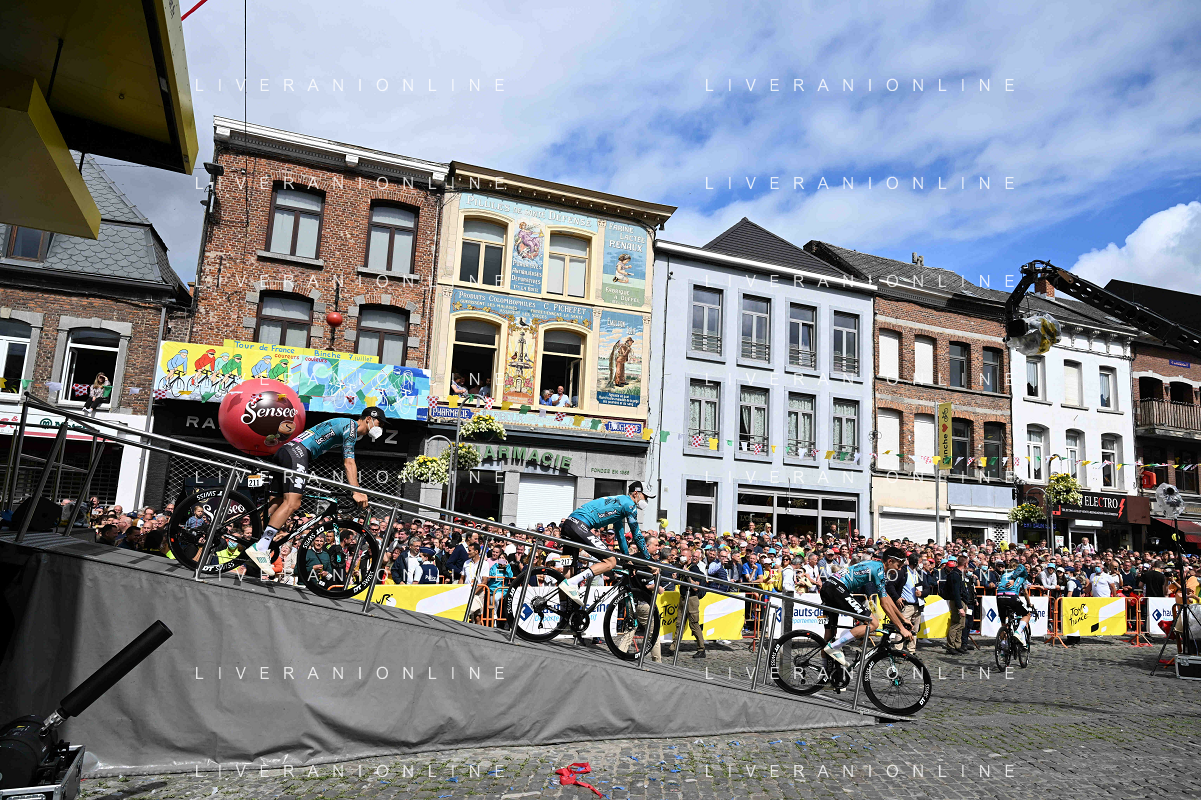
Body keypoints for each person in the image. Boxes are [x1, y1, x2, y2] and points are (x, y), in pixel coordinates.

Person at [253, 408, 387, 557]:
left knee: (275, 504)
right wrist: (356, 491)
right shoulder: (351, 427)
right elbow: (349, 462)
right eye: (379, 423)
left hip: (288, 450)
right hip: (298, 453)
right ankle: (260, 548)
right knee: (293, 503)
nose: (380, 428)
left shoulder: (346, 424)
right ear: (368, 419)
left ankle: (252, 540)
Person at [556, 481, 656, 605]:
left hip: (568, 525)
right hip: (579, 526)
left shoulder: (619, 501)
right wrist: (649, 561)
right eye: (645, 497)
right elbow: (637, 534)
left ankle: (564, 611)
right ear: (636, 493)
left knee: (568, 571)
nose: (646, 500)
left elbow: (620, 535)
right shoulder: (630, 505)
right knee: (611, 561)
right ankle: (571, 584)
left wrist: (626, 558)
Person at [818, 547, 913, 667]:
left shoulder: (876, 565)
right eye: (898, 565)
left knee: (829, 635)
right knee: (873, 623)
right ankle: (835, 647)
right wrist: (901, 628)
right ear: (889, 561)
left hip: (829, 586)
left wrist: (902, 618)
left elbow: (886, 597)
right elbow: (884, 604)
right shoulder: (879, 570)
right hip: (837, 588)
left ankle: (825, 673)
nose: (899, 569)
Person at [669, 548, 708, 659]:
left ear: (690, 557)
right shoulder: (683, 567)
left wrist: (688, 575)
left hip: (691, 599)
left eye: (684, 555)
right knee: (679, 624)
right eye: (681, 555)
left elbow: (696, 587)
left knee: (694, 624)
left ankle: (701, 649)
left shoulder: (694, 569)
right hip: (683, 598)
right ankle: (673, 647)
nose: (681, 557)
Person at [996, 564, 1034, 647]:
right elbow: (1025, 593)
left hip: (999, 597)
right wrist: (1029, 603)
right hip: (1012, 596)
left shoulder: (1004, 575)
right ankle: (1018, 632)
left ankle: (1003, 646)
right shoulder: (1021, 575)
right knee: (1027, 614)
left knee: (1004, 624)